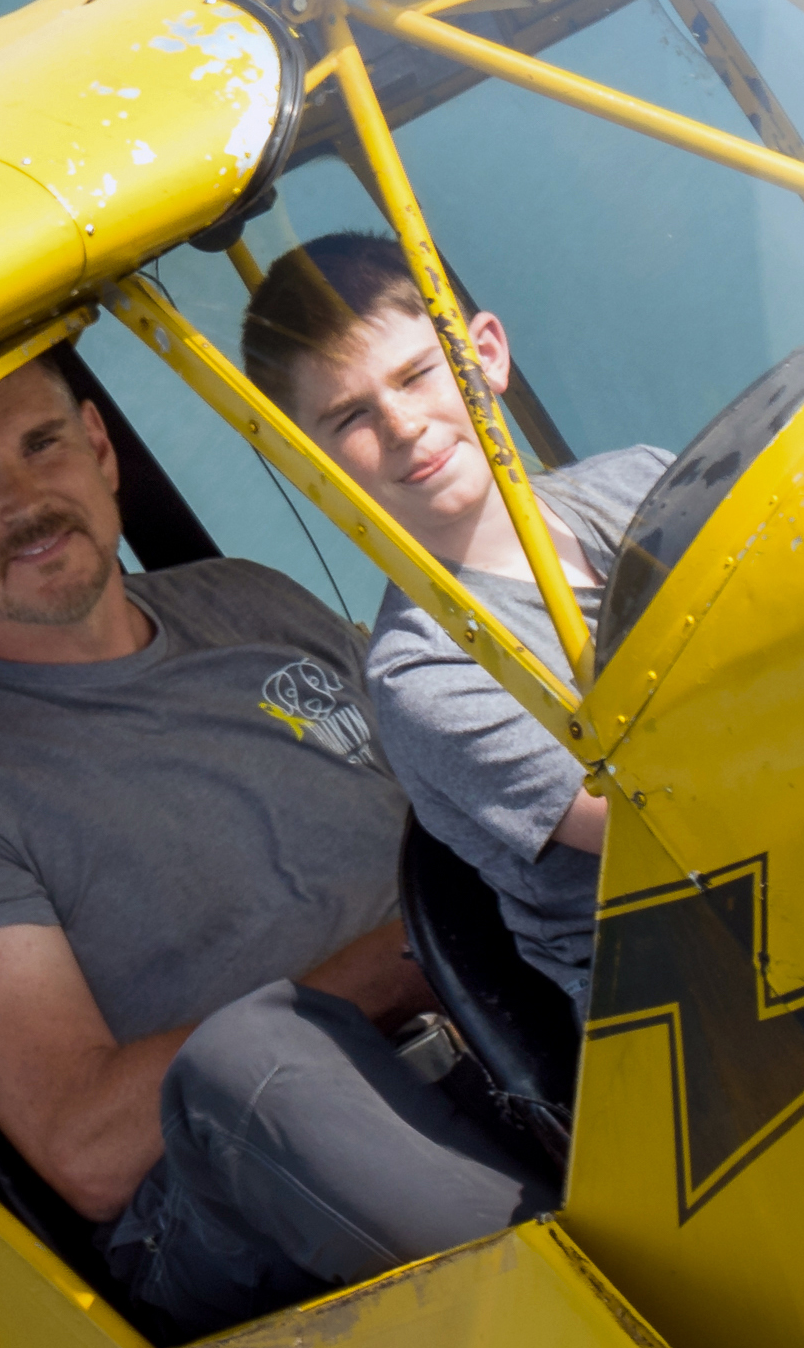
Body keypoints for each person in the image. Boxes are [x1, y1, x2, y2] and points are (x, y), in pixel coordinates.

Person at [0, 348, 544, 1337]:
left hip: (495, 1013)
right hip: (232, 1189)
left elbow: (465, 786)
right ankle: (595, 1314)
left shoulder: (247, 601)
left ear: (101, 450)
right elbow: (88, 1147)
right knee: (251, 1064)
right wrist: (406, 959)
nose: (26, 499)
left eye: (43, 447)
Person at [233, 236, 668, 1002]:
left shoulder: (645, 480)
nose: (403, 426)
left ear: (487, 354)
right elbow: (652, 825)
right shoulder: (424, 673)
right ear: (314, 466)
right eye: (349, 417)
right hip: (681, 975)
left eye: (417, 374)